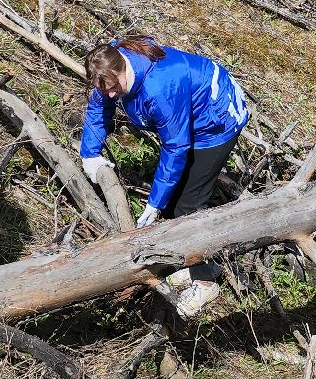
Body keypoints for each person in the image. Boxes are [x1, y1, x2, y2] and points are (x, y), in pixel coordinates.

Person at [80, 36, 250, 318]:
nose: (110, 94)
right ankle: (188, 261)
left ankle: (206, 281)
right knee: (174, 201)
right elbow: (99, 107)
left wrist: (154, 203)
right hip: (189, 118)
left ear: (122, 71)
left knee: (189, 206)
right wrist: (90, 153)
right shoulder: (106, 67)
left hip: (217, 121)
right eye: (104, 89)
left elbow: (176, 147)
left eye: (112, 88)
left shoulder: (161, 87)